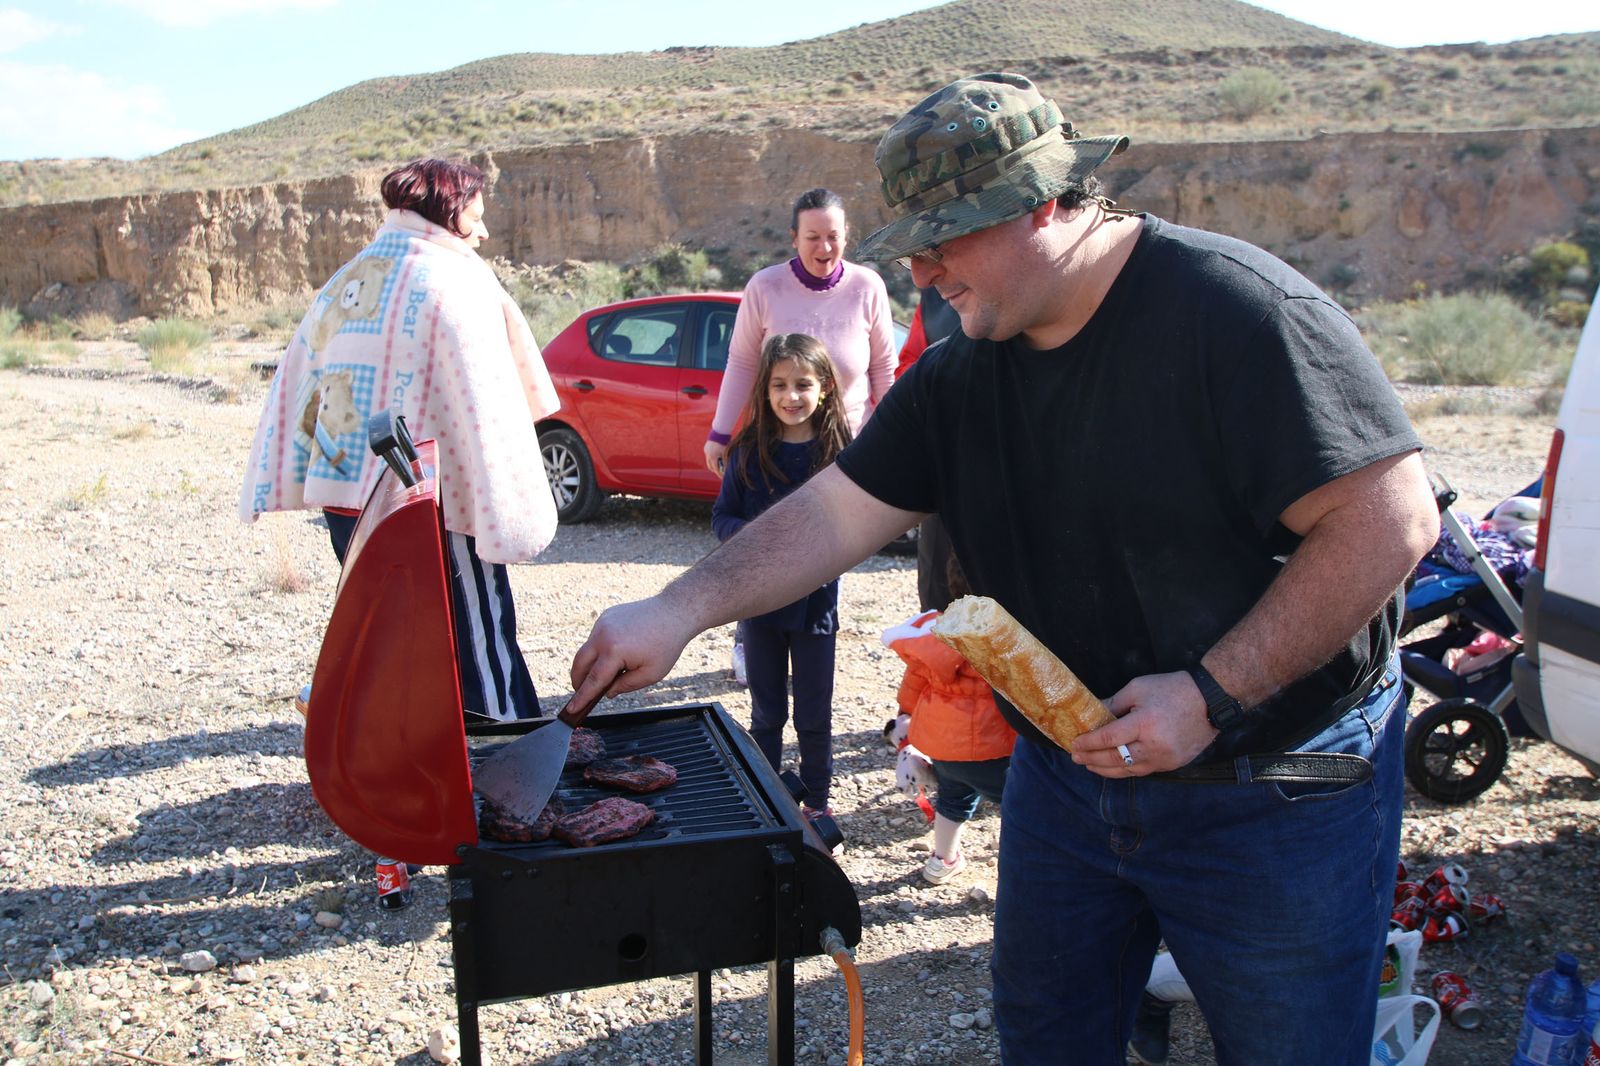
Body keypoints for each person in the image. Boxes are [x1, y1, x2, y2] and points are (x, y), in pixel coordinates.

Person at [568, 71, 1438, 1065]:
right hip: (1068, 781)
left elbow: (1389, 522)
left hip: (1270, 784)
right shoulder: (964, 367)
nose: (922, 269)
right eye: (913, 243)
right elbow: (832, 512)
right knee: (1046, 1039)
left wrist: (1211, 692)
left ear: (1044, 203)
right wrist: (678, 606)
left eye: (947, 236)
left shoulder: (1238, 315)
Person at [240, 157, 559, 726]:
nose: (484, 232)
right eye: (475, 217)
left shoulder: (351, 278)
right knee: (476, 638)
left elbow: (303, 380)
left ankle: (408, 749)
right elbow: (486, 404)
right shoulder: (451, 281)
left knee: (399, 634)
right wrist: (506, 507)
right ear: (447, 213)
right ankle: (504, 745)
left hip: (348, 501)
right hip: (433, 504)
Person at [702, 188, 898, 684]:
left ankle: (813, 644)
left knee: (825, 549)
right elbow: (741, 362)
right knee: (767, 535)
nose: (824, 247)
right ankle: (752, 636)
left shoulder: (868, 286)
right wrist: (720, 432)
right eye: (813, 237)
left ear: (846, 236)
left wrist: (892, 439)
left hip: (843, 448)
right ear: (794, 237)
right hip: (774, 444)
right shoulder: (765, 287)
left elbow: (883, 369)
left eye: (833, 236)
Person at [711, 333, 852, 820]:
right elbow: (722, 517)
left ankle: (817, 805)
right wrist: (758, 538)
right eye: (779, 385)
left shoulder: (841, 453)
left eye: (802, 384)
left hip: (816, 608)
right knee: (767, 714)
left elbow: (855, 524)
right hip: (760, 606)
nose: (791, 396)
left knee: (814, 717)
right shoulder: (748, 451)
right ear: (764, 390)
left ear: (825, 387)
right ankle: (768, 804)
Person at [881, 555, 1014, 884]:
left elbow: (913, 684)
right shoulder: (1005, 638)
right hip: (993, 748)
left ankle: (942, 860)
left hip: (942, 746)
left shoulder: (936, 631)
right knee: (1019, 804)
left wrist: (904, 717)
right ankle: (1017, 866)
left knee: (953, 800)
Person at [894, 287, 961, 611]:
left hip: (1015, 466)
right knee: (938, 590)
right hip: (946, 459)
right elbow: (908, 367)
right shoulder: (934, 297)